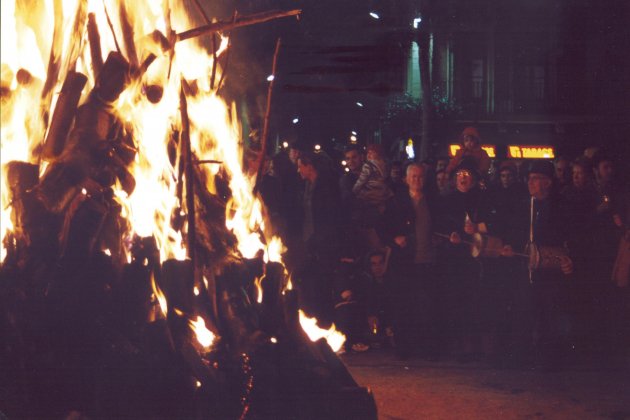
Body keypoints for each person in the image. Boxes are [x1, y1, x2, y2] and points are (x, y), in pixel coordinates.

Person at [381, 162, 440, 359]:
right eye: (413, 176)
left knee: (426, 307)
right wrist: (394, 239)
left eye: (420, 176)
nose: (417, 180)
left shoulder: (432, 201)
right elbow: (382, 228)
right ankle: (405, 349)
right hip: (404, 262)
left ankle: (427, 349)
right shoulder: (396, 202)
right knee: (404, 306)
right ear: (406, 179)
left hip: (427, 260)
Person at [294, 152, 341, 324]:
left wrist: (323, 237)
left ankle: (328, 319)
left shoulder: (326, 186)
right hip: (310, 240)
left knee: (325, 280)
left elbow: (332, 214)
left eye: (300, 166)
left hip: (324, 241)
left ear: (309, 166)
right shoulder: (307, 185)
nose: (298, 170)